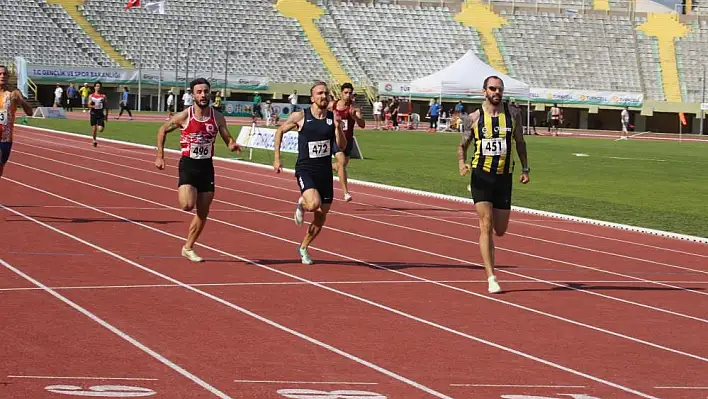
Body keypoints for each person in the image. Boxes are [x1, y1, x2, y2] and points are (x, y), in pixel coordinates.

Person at [154, 77, 241, 262]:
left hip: (207, 167)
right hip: (189, 164)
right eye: (199, 92)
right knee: (187, 205)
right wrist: (160, 155)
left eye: (206, 91)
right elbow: (162, 130)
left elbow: (227, 139)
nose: (203, 95)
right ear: (193, 95)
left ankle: (188, 247)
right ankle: (188, 244)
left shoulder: (217, 117)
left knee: (203, 212)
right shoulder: (185, 116)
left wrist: (232, 144)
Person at [457, 76, 530, 294]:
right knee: (485, 224)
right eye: (492, 88)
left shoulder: (513, 114)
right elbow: (462, 145)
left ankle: (491, 271)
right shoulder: (473, 117)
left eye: (500, 89)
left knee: (500, 230)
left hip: (504, 177)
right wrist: (462, 162)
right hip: (481, 175)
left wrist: (525, 169)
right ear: (484, 92)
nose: (496, 92)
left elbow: (520, 142)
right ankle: (491, 276)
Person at [272, 81, 346, 265]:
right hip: (306, 169)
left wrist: (338, 128)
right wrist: (277, 157)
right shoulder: (301, 116)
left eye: (326, 93)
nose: (323, 96)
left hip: (325, 172)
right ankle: (303, 203)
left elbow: (342, 146)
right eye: (319, 93)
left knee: (321, 216)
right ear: (312, 98)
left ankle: (304, 247)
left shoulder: (332, 118)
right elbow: (280, 131)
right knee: (313, 204)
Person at [329, 83, 364, 202]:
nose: (348, 95)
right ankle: (346, 193)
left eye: (350, 93)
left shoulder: (354, 108)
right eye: (346, 93)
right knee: (342, 162)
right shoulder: (332, 105)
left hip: (348, 141)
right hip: (335, 139)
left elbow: (362, 125)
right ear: (341, 93)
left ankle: (324, 167)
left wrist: (356, 117)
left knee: (340, 166)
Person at [0, 65, 33, 179]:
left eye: (5, 74)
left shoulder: (13, 93)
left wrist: (21, 101)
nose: (2, 76)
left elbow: (30, 113)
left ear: (8, 76)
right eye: (0, 74)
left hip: (5, 138)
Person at [88, 81, 108, 147]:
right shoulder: (91, 96)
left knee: (100, 129)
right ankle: (94, 140)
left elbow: (106, 106)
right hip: (93, 113)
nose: (98, 87)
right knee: (94, 129)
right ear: (94, 87)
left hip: (100, 114)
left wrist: (106, 115)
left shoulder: (103, 96)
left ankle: (95, 138)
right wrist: (93, 106)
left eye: (99, 86)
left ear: (101, 87)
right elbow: (88, 104)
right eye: (96, 86)